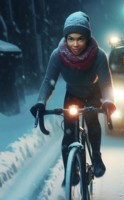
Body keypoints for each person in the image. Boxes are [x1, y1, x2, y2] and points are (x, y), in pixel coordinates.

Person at [30, 11, 116, 185]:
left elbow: (106, 83)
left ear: (87, 38)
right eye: (70, 38)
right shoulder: (58, 55)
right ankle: (70, 173)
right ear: (65, 38)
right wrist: (41, 102)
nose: (75, 44)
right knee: (68, 135)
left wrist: (108, 102)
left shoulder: (99, 55)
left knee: (92, 122)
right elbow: (49, 81)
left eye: (80, 38)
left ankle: (97, 158)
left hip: (93, 94)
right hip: (73, 94)